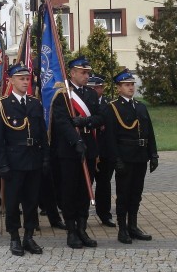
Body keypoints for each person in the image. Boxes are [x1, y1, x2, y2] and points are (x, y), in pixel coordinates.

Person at [0, 63, 49, 256]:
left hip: (33, 158)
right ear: (11, 80)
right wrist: (2, 164)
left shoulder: (34, 103)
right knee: (13, 200)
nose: (25, 82)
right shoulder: (2, 104)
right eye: (21, 78)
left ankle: (29, 236)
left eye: (27, 79)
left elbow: (42, 133)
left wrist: (45, 158)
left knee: (31, 201)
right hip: (14, 161)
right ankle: (14, 236)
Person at [50, 57, 103, 249]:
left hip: (88, 147)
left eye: (88, 72)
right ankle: (71, 231)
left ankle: (82, 228)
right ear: (72, 73)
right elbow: (62, 122)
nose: (86, 75)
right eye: (83, 72)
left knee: (84, 190)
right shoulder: (63, 95)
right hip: (69, 150)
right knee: (70, 191)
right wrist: (76, 140)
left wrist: (85, 122)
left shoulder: (90, 94)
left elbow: (99, 117)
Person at [106, 69, 158, 244]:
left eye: (132, 85)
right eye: (126, 85)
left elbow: (149, 131)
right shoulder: (113, 107)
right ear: (118, 88)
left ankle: (133, 226)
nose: (130, 88)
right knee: (124, 194)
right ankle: (122, 229)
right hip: (125, 157)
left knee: (136, 193)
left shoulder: (140, 106)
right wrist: (116, 159)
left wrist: (153, 154)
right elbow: (110, 137)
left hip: (140, 156)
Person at [89, 75, 116, 227]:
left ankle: (105, 214)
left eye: (97, 88)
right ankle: (81, 216)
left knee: (104, 184)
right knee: (84, 184)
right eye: (91, 88)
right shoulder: (83, 103)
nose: (94, 90)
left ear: (101, 88)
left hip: (105, 151)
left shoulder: (109, 105)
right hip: (89, 150)